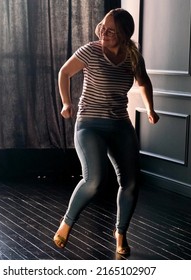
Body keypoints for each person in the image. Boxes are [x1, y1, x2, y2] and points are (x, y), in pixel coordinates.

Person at [53, 8, 159, 256]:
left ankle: (120, 233)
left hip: (120, 125)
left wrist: (150, 109)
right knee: (94, 180)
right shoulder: (90, 50)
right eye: (102, 26)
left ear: (124, 34)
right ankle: (66, 223)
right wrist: (67, 103)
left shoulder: (133, 57)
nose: (103, 32)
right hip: (89, 124)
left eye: (111, 30)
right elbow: (65, 73)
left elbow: (144, 82)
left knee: (131, 183)